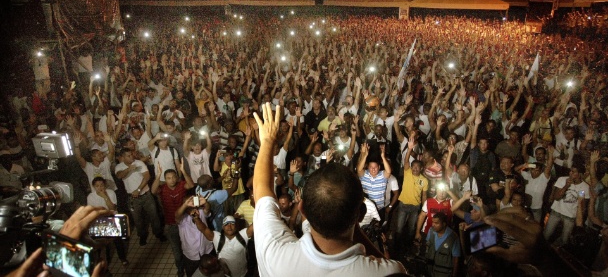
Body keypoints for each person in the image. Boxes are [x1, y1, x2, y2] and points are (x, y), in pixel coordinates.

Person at [251, 103, 405, 276]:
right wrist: (354, 222)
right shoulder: (389, 272)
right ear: (361, 214)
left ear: (303, 210)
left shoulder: (275, 254)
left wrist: (267, 141)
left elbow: (261, 191)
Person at [115, 148, 165, 246]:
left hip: (146, 195)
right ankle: (142, 235)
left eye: (131, 154)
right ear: (123, 157)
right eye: (128, 156)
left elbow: (147, 177)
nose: (131, 157)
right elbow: (119, 176)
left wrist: (138, 190)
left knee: (154, 215)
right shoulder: (119, 167)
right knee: (137, 219)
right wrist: (129, 168)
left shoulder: (139, 163)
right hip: (132, 198)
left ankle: (158, 233)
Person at [152, 166, 195, 277]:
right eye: (168, 178)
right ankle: (180, 270)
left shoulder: (181, 185)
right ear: (165, 179)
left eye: (173, 177)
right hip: (171, 225)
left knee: (188, 248)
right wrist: (158, 176)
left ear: (177, 177)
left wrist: (183, 171)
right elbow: (153, 191)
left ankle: (190, 267)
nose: (171, 180)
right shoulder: (162, 188)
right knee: (177, 252)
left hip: (185, 223)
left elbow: (191, 185)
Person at [86, 177, 128, 266]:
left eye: (101, 185)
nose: (100, 187)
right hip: (100, 220)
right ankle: (106, 261)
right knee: (104, 242)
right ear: (93, 187)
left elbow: (112, 208)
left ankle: (123, 258)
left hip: (112, 218)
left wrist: (105, 197)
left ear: (105, 185)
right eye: (97, 186)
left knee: (117, 240)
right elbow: (93, 211)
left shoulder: (111, 193)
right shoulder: (91, 196)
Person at [176, 195, 214, 277]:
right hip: (191, 254)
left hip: (206, 250)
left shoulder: (200, 211)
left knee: (210, 272)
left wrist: (205, 202)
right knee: (192, 274)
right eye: (188, 204)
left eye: (192, 203)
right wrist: (185, 205)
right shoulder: (183, 218)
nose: (191, 206)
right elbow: (177, 216)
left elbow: (207, 209)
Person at [425, 212, 460, 277]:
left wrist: (454, 275)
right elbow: (427, 246)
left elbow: (456, 259)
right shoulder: (431, 231)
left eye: (436, 223)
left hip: (443, 273)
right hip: (429, 270)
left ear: (444, 224)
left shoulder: (453, 237)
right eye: (433, 222)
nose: (433, 225)